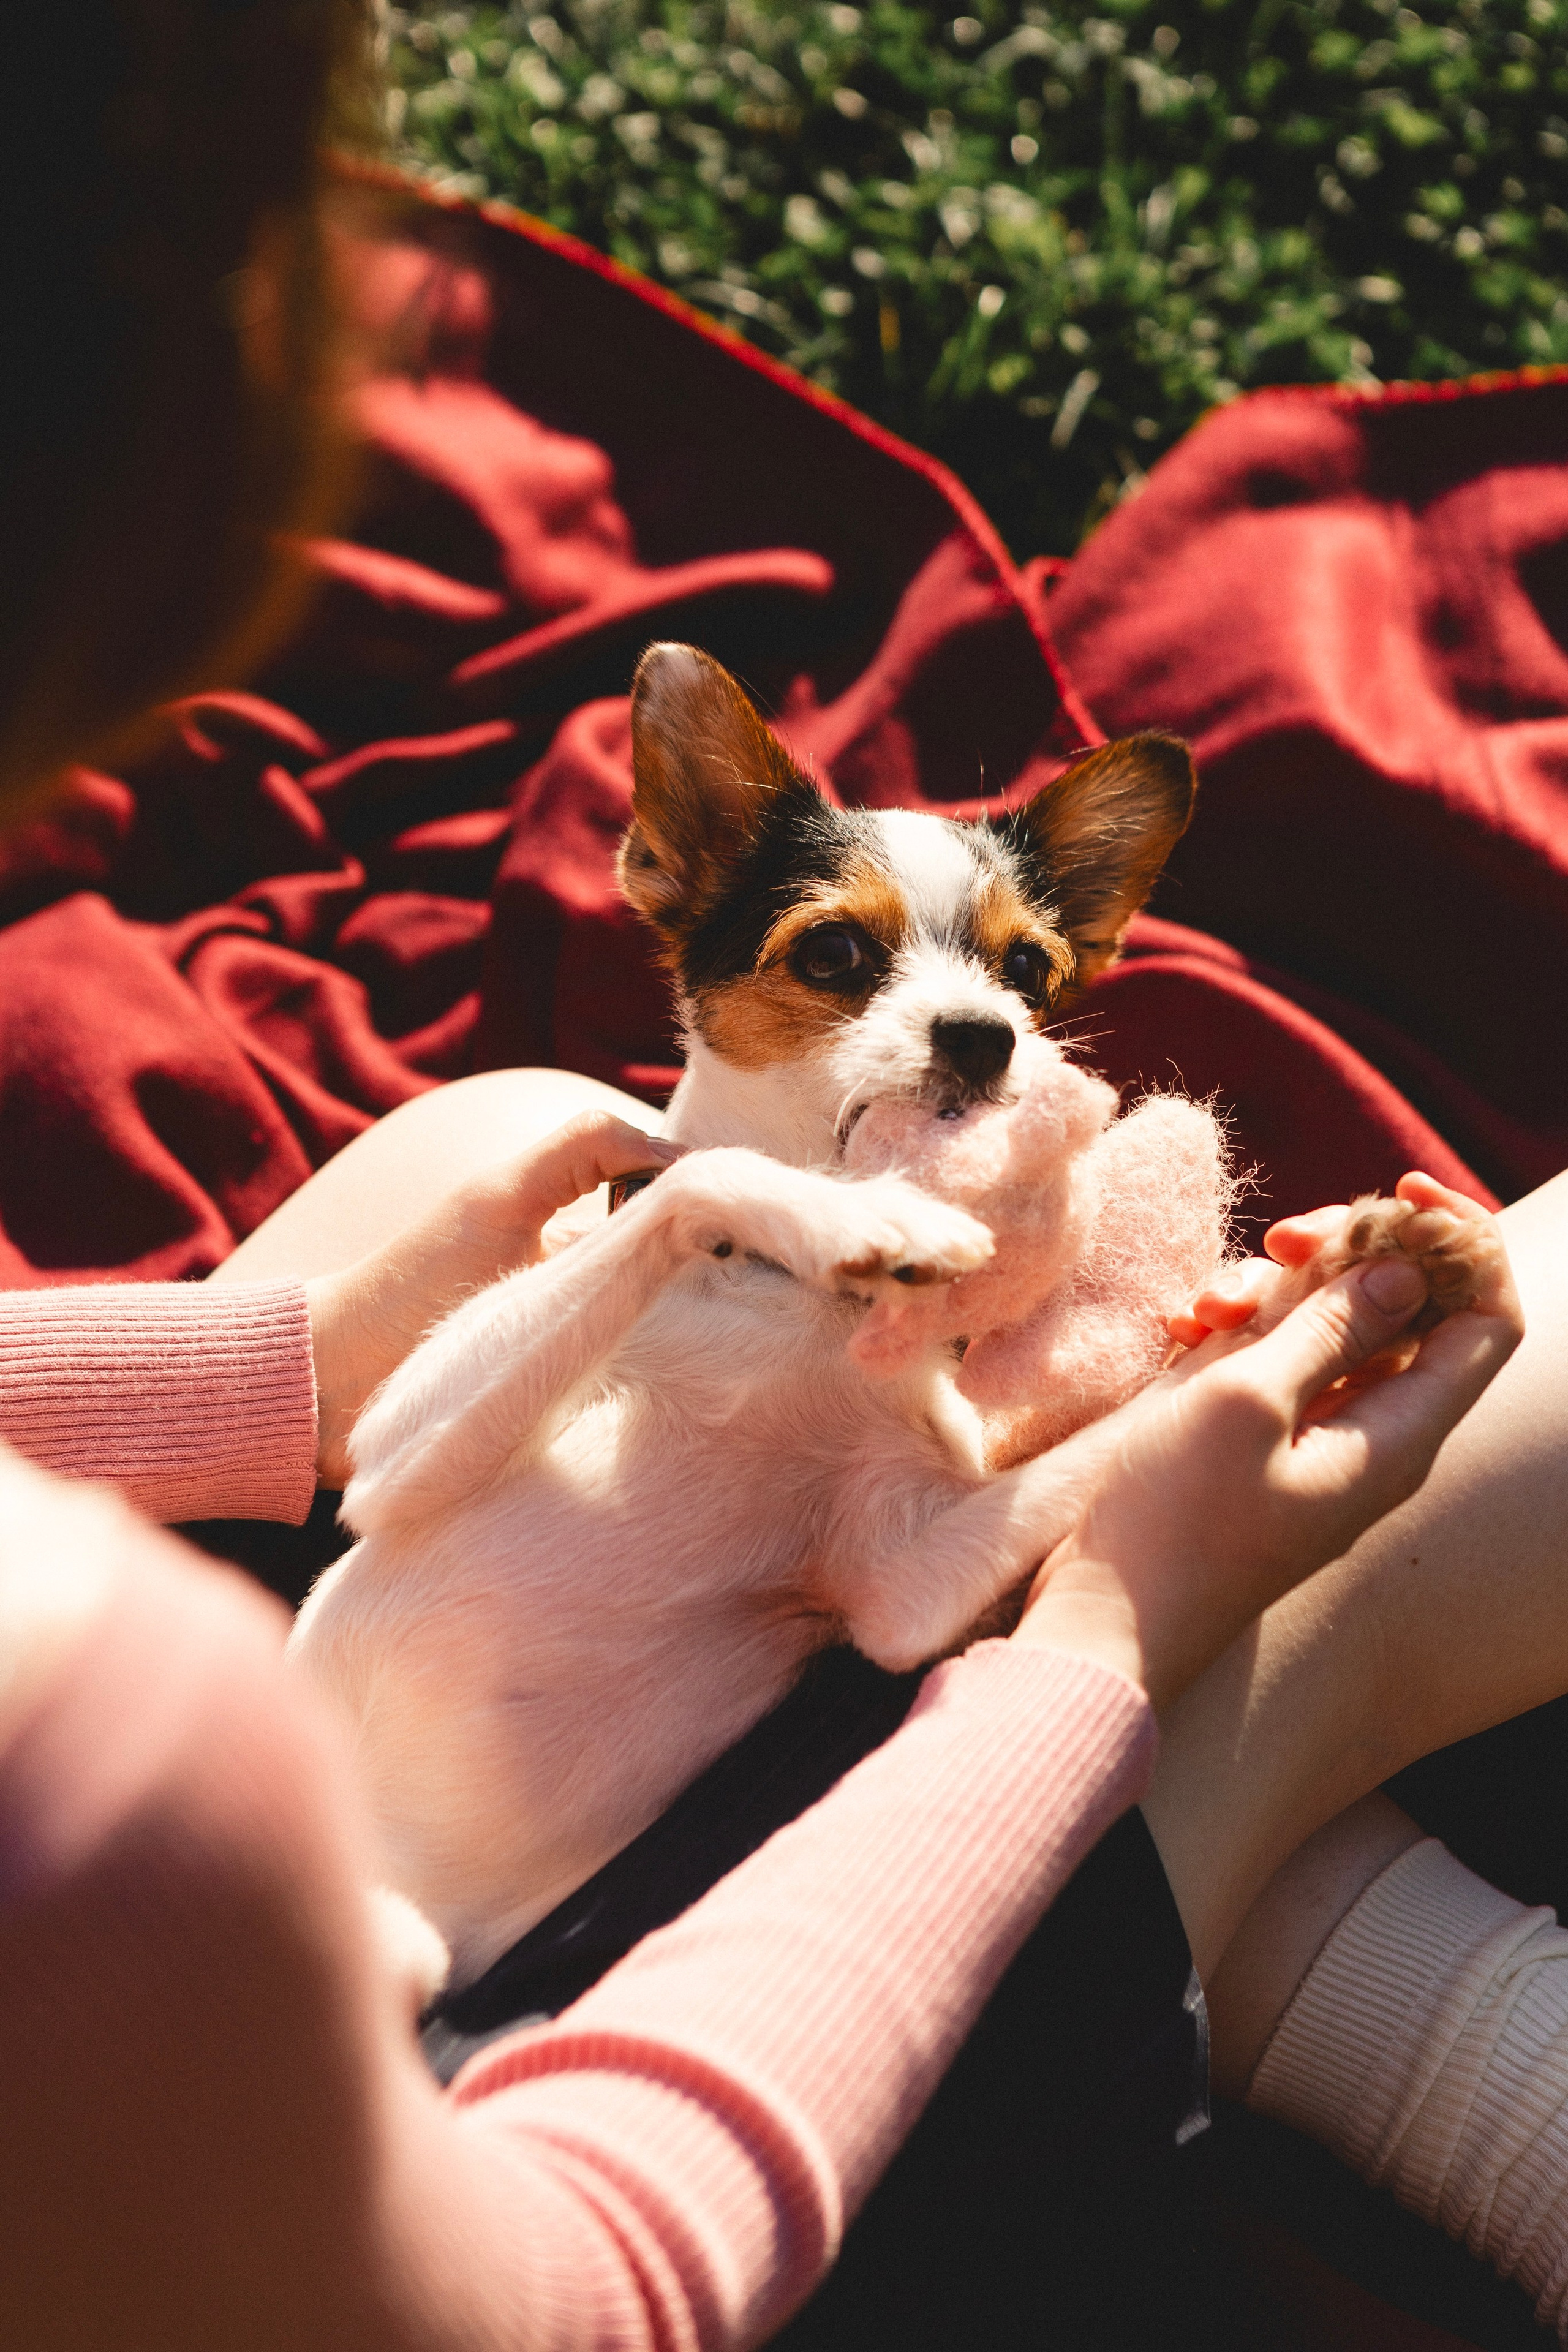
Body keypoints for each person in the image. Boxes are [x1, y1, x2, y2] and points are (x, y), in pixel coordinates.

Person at [0, 2, 1559, 2344]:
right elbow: (581, 2285)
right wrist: (1115, 1635)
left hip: (402, 1748)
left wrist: (268, 1367)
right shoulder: (104, 1781)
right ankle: (1414, 2009)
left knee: (490, 1143)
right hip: (562, 2092)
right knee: (1277, 1587)